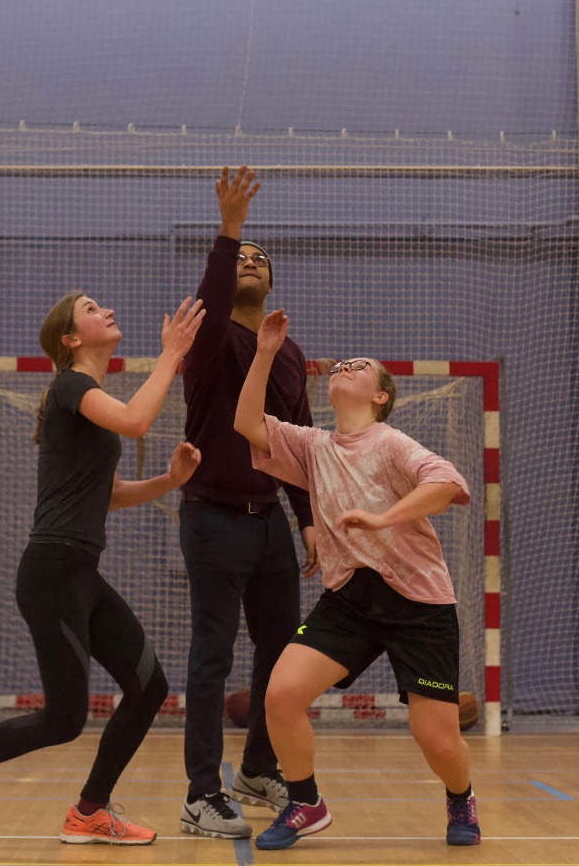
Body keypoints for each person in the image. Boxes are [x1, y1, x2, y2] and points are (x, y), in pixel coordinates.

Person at [0, 291, 207, 848]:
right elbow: (138, 421)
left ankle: (89, 811)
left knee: (148, 686)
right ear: (70, 338)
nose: (107, 309)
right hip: (52, 571)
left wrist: (168, 483)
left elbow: (105, 496)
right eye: (91, 308)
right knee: (64, 719)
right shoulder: (70, 385)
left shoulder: (88, 403)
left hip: (80, 572)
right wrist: (172, 354)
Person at [234, 309, 481, 849]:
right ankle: (305, 803)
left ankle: (460, 797)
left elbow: (448, 482)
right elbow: (247, 423)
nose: (345, 365)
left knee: (434, 739)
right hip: (349, 599)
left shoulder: (392, 444)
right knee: (280, 694)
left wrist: (382, 519)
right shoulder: (314, 447)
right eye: (341, 363)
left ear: (380, 397)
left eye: (360, 365)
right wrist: (264, 354)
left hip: (418, 603)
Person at [177, 166, 317, 840]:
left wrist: (310, 522)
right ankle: (201, 793)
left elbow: (294, 446)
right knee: (212, 655)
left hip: (272, 531)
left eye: (260, 257)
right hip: (213, 517)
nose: (249, 264)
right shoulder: (209, 344)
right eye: (241, 259)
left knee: (283, 651)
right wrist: (229, 231)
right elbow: (211, 293)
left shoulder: (288, 354)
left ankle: (258, 767)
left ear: (273, 281)